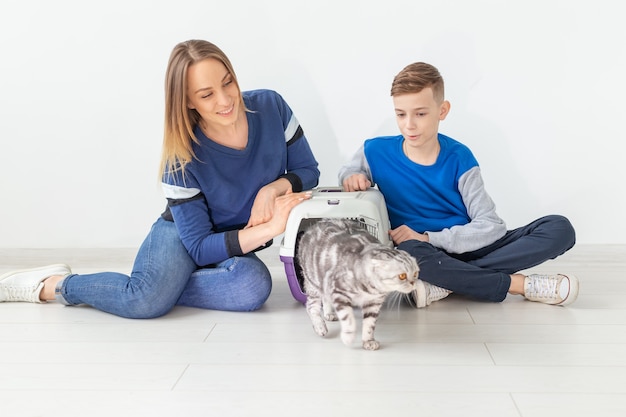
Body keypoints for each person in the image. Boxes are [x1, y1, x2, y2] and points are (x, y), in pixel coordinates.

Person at [0, 39, 320, 317]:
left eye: (228, 83)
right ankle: (53, 286)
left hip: (230, 240)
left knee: (252, 287)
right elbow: (197, 246)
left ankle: (155, 288)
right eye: (207, 94)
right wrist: (269, 228)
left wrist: (273, 188)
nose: (225, 100)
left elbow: (309, 170)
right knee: (144, 302)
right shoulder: (180, 157)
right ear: (188, 101)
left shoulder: (271, 106)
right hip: (183, 236)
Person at [339, 62, 578, 307]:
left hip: (463, 243)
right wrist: (352, 176)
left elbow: (491, 226)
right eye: (401, 114)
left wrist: (430, 238)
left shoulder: (460, 158)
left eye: (420, 114)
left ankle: (444, 282)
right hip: (422, 253)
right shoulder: (375, 150)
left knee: (559, 228)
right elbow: (348, 171)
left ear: (442, 110)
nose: (409, 124)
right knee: (408, 254)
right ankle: (517, 284)